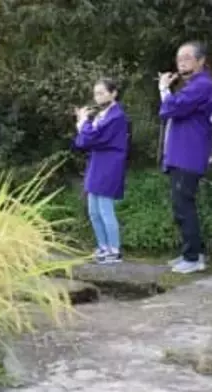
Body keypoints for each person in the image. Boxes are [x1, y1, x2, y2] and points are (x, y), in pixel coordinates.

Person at [158, 41, 212, 274]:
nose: (181, 62)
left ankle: (192, 258)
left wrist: (164, 89)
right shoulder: (194, 85)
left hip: (188, 154)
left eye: (187, 58)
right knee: (182, 205)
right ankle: (194, 254)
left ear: (201, 61)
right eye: (178, 59)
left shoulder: (202, 85)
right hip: (183, 154)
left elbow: (170, 109)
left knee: (183, 206)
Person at [72, 78, 130, 264]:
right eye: (96, 94)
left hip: (109, 164)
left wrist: (83, 123)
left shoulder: (116, 116)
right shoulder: (100, 116)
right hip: (96, 163)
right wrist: (83, 125)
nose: (98, 97)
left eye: (102, 93)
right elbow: (83, 142)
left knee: (105, 209)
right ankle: (103, 247)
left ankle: (114, 250)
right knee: (93, 211)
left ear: (113, 93)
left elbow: (93, 138)